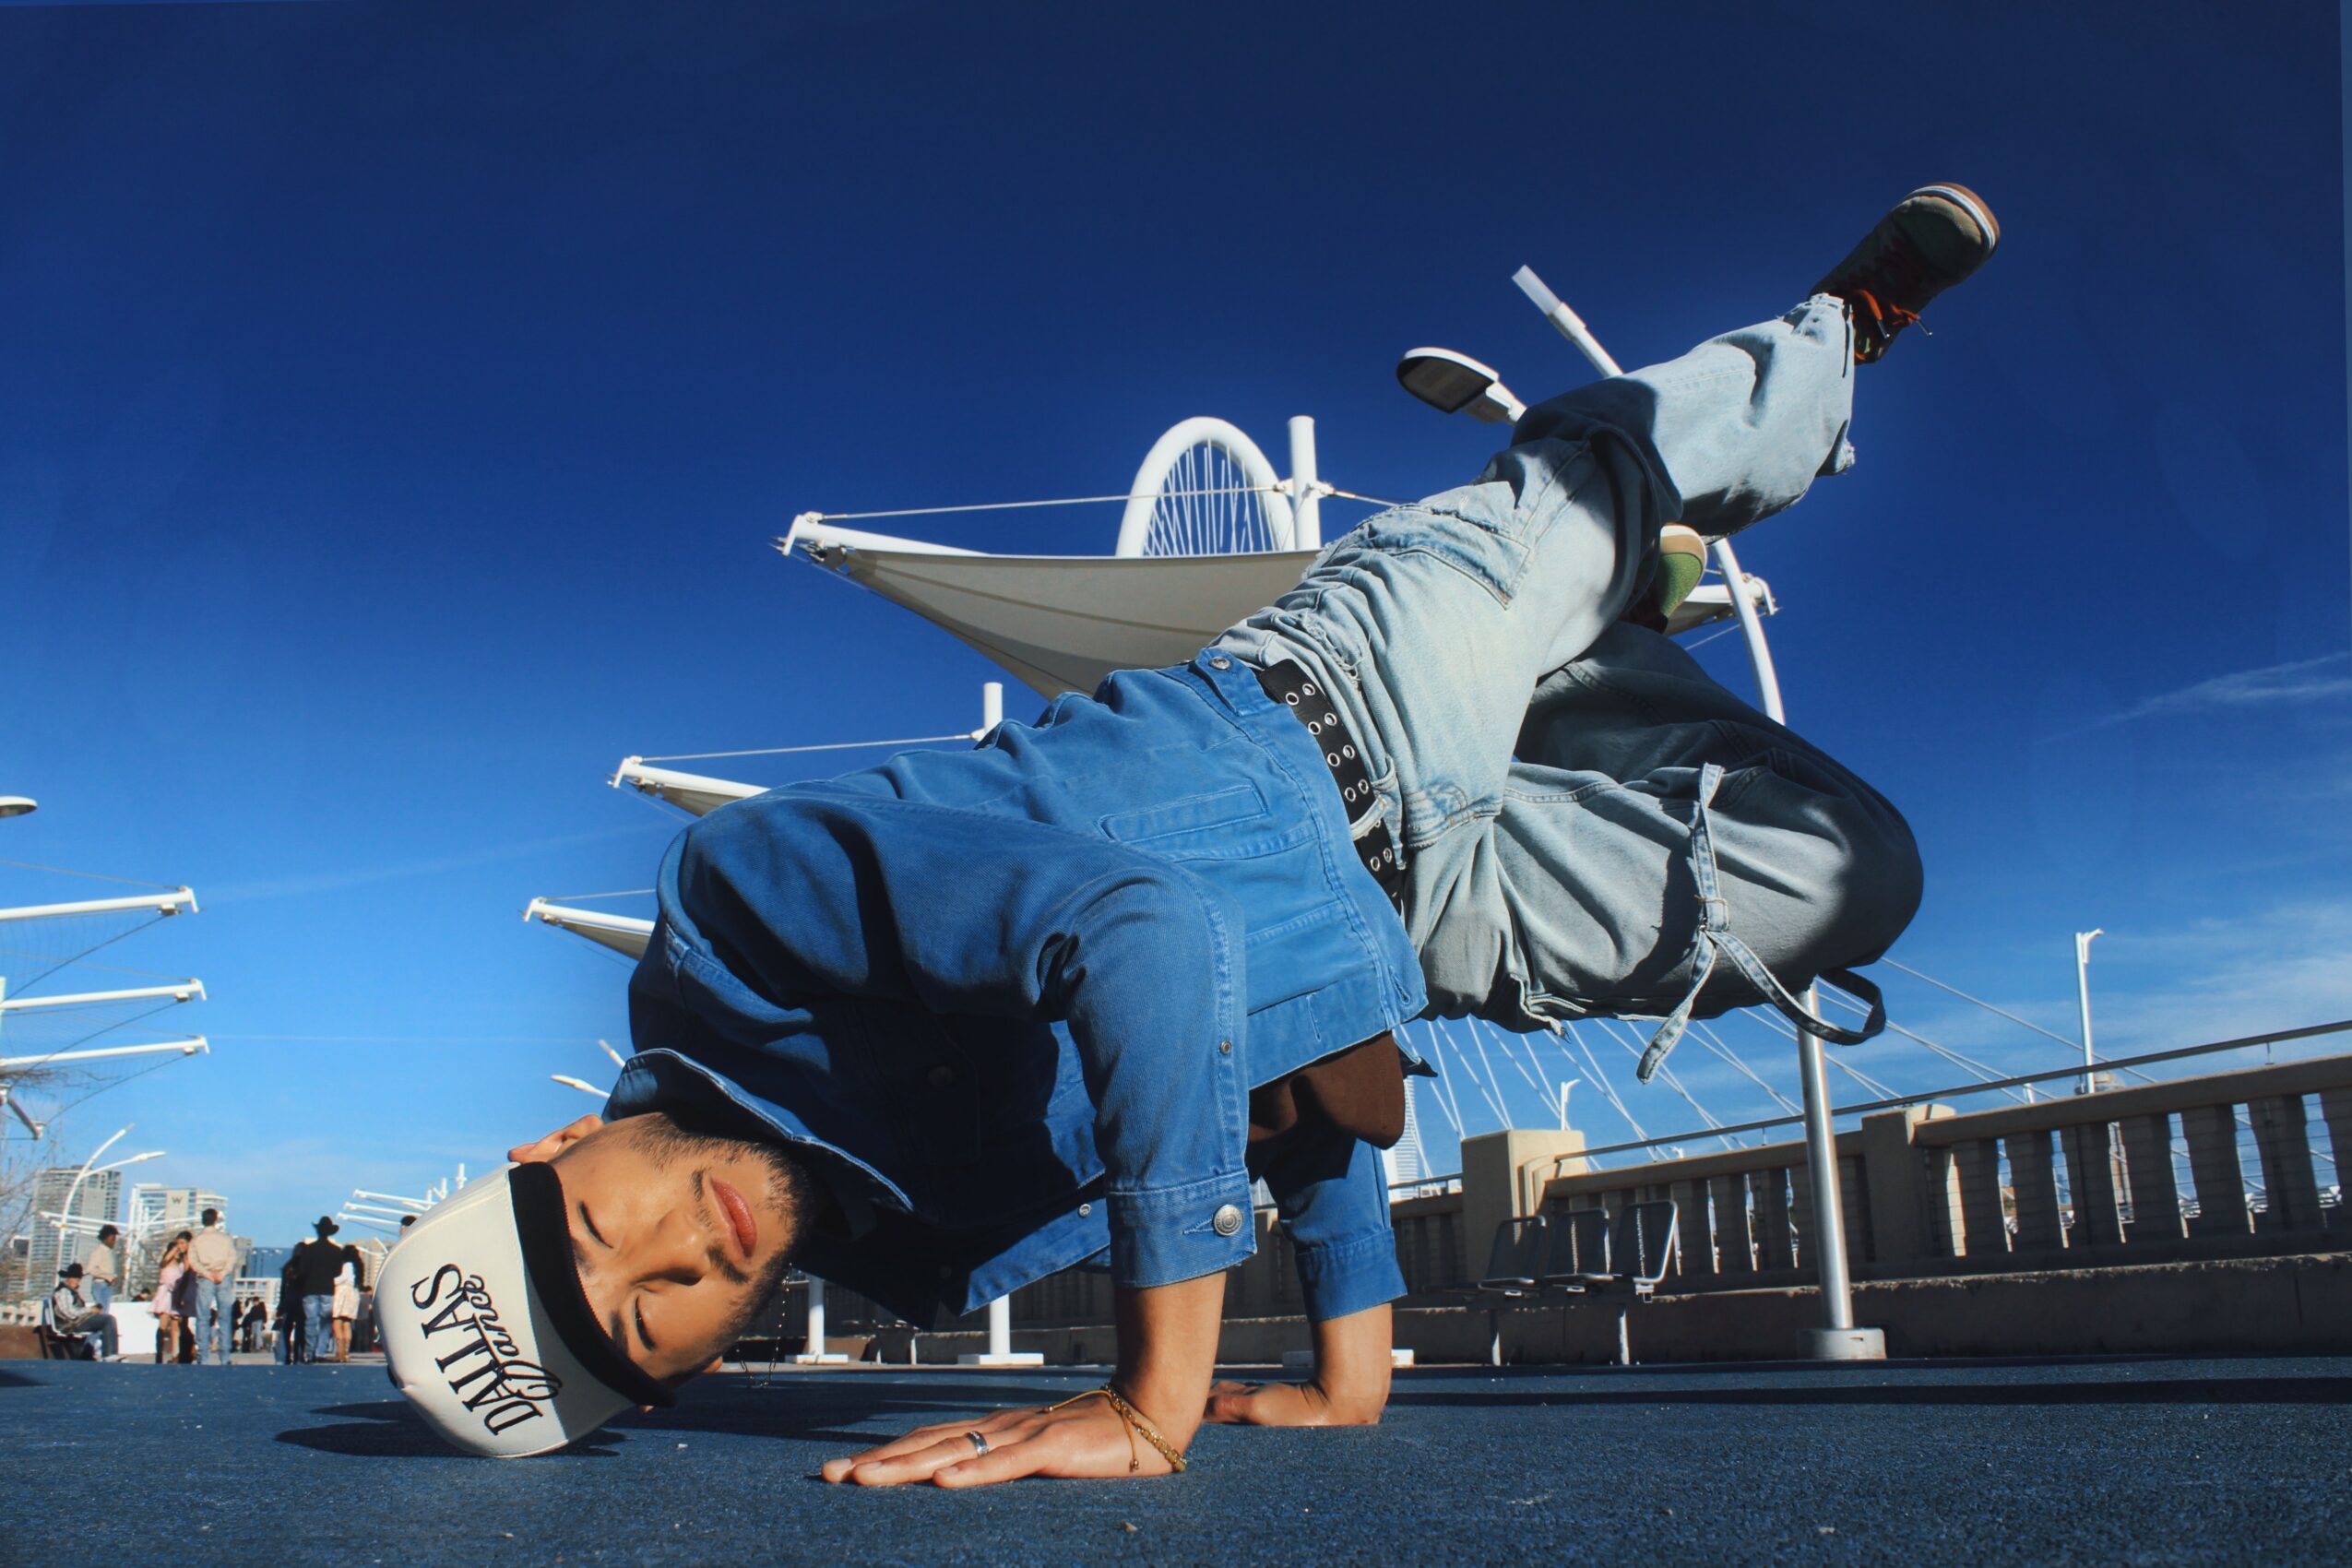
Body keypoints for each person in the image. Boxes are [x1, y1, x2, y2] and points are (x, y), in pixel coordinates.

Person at [380, 186, 1997, 1470]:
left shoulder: (739, 913)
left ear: (553, 1150)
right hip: (1422, 925)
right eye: (650, 1323)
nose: (677, 1258)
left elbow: (1138, 932)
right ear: (688, 1373)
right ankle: (1602, 631)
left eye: (597, 1231)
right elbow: (1265, 1094)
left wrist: (1154, 1406)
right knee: (1851, 872)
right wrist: (1352, 1365)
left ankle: (1829, 335)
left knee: (1614, 469)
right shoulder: (924, 1246)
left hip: (1349, 696)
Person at [291, 1217, 358, 1364]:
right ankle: (320, 1352)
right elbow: (337, 1272)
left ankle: (309, 1352)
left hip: (310, 1289)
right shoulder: (336, 1251)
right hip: (328, 1289)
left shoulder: (308, 1249)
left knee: (311, 1321)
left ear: (318, 1231)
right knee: (325, 1323)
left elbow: (302, 1270)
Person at [186, 1206, 236, 1367]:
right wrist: (222, 1273)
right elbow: (232, 1258)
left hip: (205, 1279)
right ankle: (225, 1356)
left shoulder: (196, 1240)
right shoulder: (226, 1239)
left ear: (203, 1220)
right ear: (215, 1220)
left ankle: (203, 1357)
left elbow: (193, 1261)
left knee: (203, 1318)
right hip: (223, 1278)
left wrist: (207, 1273)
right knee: (224, 1318)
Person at [50, 1264, 120, 1360]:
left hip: (74, 1322)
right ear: (68, 1278)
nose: (77, 1282)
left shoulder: (69, 1291)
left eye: (79, 1279)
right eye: (74, 1279)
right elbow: (69, 1312)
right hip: (70, 1324)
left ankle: (92, 1352)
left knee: (103, 1319)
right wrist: (90, 1310)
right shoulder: (64, 1291)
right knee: (108, 1320)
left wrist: (91, 1312)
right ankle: (110, 1354)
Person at [150, 1231, 193, 1364]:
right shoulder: (167, 1263)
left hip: (176, 1295)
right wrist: (174, 1248)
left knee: (176, 1326)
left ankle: (176, 1354)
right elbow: (163, 1262)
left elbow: (187, 1273)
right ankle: (159, 1353)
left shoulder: (181, 1264)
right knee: (163, 1326)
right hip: (166, 1294)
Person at [82, 1224, 121, 1311]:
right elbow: (91, 1269)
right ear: (105, 1239)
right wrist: (108, 1276)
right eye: (112, 1239)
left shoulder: (109, 1253)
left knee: (105, 1311)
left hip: (107, 1285)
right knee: (102, 1312)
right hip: (100, 1284)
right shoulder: (98, 1252)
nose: (114, 1242)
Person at [330, 1260, 360, 1361]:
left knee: (337, 1322)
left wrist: (332, 1280)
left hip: (342, 1293)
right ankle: (346, 1353)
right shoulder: (356, 1267)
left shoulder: (347, 1264)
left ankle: (340, 1352)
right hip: (352, 1293)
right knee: (347, 1324)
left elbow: (342, 1278)